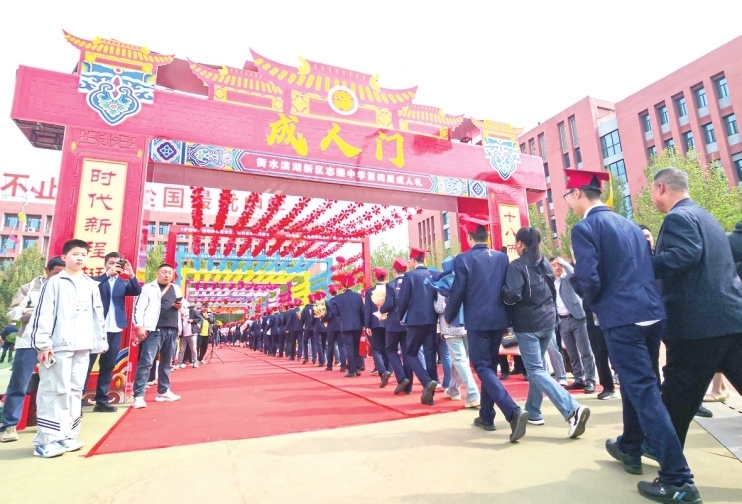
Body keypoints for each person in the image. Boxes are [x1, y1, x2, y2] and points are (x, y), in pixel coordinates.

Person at [565, 168, 700, 503]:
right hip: (651, 314)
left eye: (569, 196)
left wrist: (594, 304)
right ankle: (630, 445)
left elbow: (589, 277)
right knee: (640, 385)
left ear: (578, 194)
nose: (569, 203)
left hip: (621, 318)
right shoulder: (628, 224)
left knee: (644, 392)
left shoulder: (584, 228)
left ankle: (678, 478)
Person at [650, 167, 742, 446]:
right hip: (729, 319)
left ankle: (664, 457)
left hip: (697, 327)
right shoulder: (706, 216)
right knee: (680, 396)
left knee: (678, 395)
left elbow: (684, 255)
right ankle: (656, 446)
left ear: (661, 188)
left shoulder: (678, 217)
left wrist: (643, 264)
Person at [445, 217, 527, 442]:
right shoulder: (501, 258)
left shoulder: (464, 259)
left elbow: (458, 290)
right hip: (499, 319)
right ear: (487, 236)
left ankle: (512, 411)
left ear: (469, 238)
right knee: (489, 366)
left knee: (481, 366)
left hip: (477, 321)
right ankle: (486, 416)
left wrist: (449, 316)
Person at [502, 227, 590, 438]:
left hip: (528, 324)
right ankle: (533, 411)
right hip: (548, 321)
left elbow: (512, 294)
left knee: (534, 370)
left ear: (520, 244)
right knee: (538, 368)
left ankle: (571, 409)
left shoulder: (517, 266)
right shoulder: (543, 264)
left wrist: (502, 294)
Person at [28, 239, 108, 458]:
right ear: (64, 257)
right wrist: (43, 344)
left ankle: (68, 435)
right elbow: (43, 314)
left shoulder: (91, 284)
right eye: (75, 254)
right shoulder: (55, 283)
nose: (80, 258)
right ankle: (46, 440)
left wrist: (99, 341)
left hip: (83, 346)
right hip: (58, 346)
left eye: (83, 254)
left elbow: (97, 315)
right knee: (54, 390)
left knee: (74, 390)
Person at [0, 256, 66, 444]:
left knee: (55, 385)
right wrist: (38, 311)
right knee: (19, 383)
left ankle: (51, 424)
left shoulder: (67, 290)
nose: (59, 277)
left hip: (55, 344)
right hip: (28, 342)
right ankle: (9, 425)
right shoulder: (29, 288)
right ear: (47, 271)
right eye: (56, 273)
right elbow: (13, 312)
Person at [85, 252, 141, 412]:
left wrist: (131, 274)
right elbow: (89, 288)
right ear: (105, 264)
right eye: (111, 263)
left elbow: (136, 290)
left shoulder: (123, 283)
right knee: (86, 364)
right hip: (95, 329)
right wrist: (106, 275)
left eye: (118, 263)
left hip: (115, 328)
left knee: (108, 365)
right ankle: (77, 400)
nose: (115, 266)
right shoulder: (95, 281)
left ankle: (101, 401)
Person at [131, 263, 184, 409]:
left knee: (167, 363)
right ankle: (139, 396)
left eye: (170, 273)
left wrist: (180, 307)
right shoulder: (148, 288)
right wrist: (139, 326)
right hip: (154, 330)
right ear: (157, 273)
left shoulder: (176, 288)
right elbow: (139, 308)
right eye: (164, 272)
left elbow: (184, 309)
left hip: (172, 330)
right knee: (146, 362)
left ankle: (163, 391)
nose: (167, 275)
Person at [431, 256, 480, 408]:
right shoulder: (468, 280)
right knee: (460, 360)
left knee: (459, 361)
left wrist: (433, 302)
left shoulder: (444, 283)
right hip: (466, 326)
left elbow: (440, 308)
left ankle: (473, 393)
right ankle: (453, 389)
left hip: (450, 326)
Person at [397, 247, 439, 405]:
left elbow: (403, 300)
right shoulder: (433, 274)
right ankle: (430, 395)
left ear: (413, 260)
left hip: (415, 320)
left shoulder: (410, 276)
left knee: (410, 353)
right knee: (430, 355)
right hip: (431, 319)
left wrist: (401, 317)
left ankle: (427, 381)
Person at [550, 256, 596, 394]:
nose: (557, 268)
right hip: (562, 320)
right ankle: (579, 378)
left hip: (577, 318)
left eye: (559, 265)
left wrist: (565, 263)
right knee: (571, 352)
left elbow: (574, 273)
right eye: (554, 265)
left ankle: (590, 379)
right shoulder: (550, 281)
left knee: (585, 350)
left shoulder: (567, 278)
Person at [381, 258, 414, 395]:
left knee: (390, 349)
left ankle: (401, 377)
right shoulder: (411, 282)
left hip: (393, 323)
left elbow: (389, 304)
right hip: (408, 323)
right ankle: (409, 387)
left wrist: (381, 309)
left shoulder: (391, 285)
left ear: (394, 271)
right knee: (407, 353)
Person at [328, 274, 365, 378]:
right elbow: (362, 311)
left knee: (349, 347)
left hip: (345, 325)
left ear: (342, 286)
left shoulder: (339, 298)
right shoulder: (358, 296)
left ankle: (352, 370)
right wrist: (364, 324)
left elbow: (336, 313)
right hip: (357, 325)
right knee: (357, 346)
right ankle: (358, 367)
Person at [365, 267, 392, 387]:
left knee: (376, 349)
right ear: (386, 277)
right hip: (388, 322)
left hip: (375, 322)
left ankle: (382, 371)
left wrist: (367, 325)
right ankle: (389, 369)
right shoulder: (390, 289)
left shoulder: (370, 291)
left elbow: (367, 310)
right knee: (387, 348)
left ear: (375, 278)